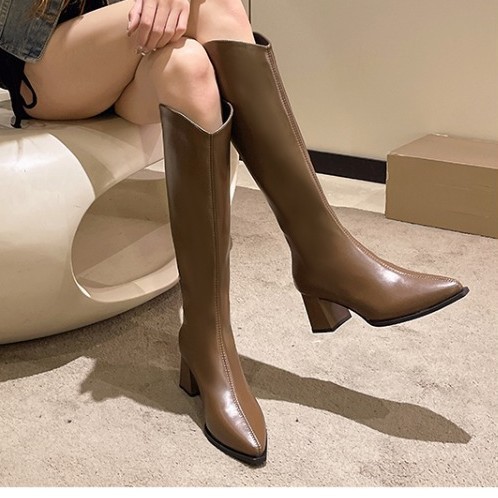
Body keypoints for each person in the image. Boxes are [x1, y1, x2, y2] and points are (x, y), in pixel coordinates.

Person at [0, 0, 468, 466]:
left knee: (189, 69)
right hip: (49, 63)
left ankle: (207, 340)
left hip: (128, 56)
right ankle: (325, 256)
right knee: (217, 6)